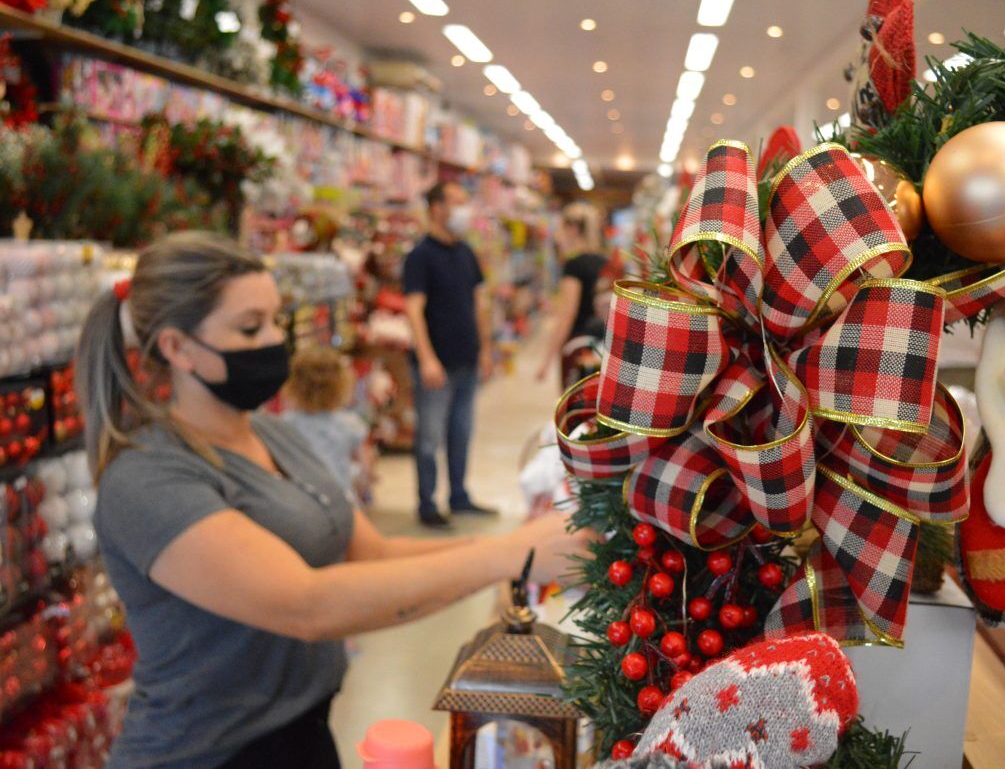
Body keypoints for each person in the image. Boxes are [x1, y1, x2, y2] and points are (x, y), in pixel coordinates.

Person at [77, 233, 592, 769]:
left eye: (277, 320)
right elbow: (306, 604)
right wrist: (511, 556)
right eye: (250, 327)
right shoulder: (147, 480)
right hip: (204, 754)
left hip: (303, 733)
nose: (277, 340)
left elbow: (369, 555)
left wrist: (513, 545)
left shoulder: (275, 437)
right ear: (176, 348)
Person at [403, 181, 494, 528]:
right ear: (436, 208)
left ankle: (459, 495)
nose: (463, 210)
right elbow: (413, 310)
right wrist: (426, 358)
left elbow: (477, 304)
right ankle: (427, 503)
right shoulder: (420, 256)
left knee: (461, 433)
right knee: (429, 438)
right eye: (456, 202)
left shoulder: (466, 253)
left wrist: (485, 349)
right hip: (435, 365)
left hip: (467, 360)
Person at [280, 346, 372, 502]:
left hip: (303, 499)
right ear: (342, 384)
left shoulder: (285, 424)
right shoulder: (350, 423)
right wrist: (362, 487)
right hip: (341, 497)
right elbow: (365, 466)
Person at [535, 204, 608, 386]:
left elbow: (567, 315)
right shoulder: (604, 262)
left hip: (577, 346)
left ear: (573, 229)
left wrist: (546, 360)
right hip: (602, 345)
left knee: (573, 406)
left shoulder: (574, 265)